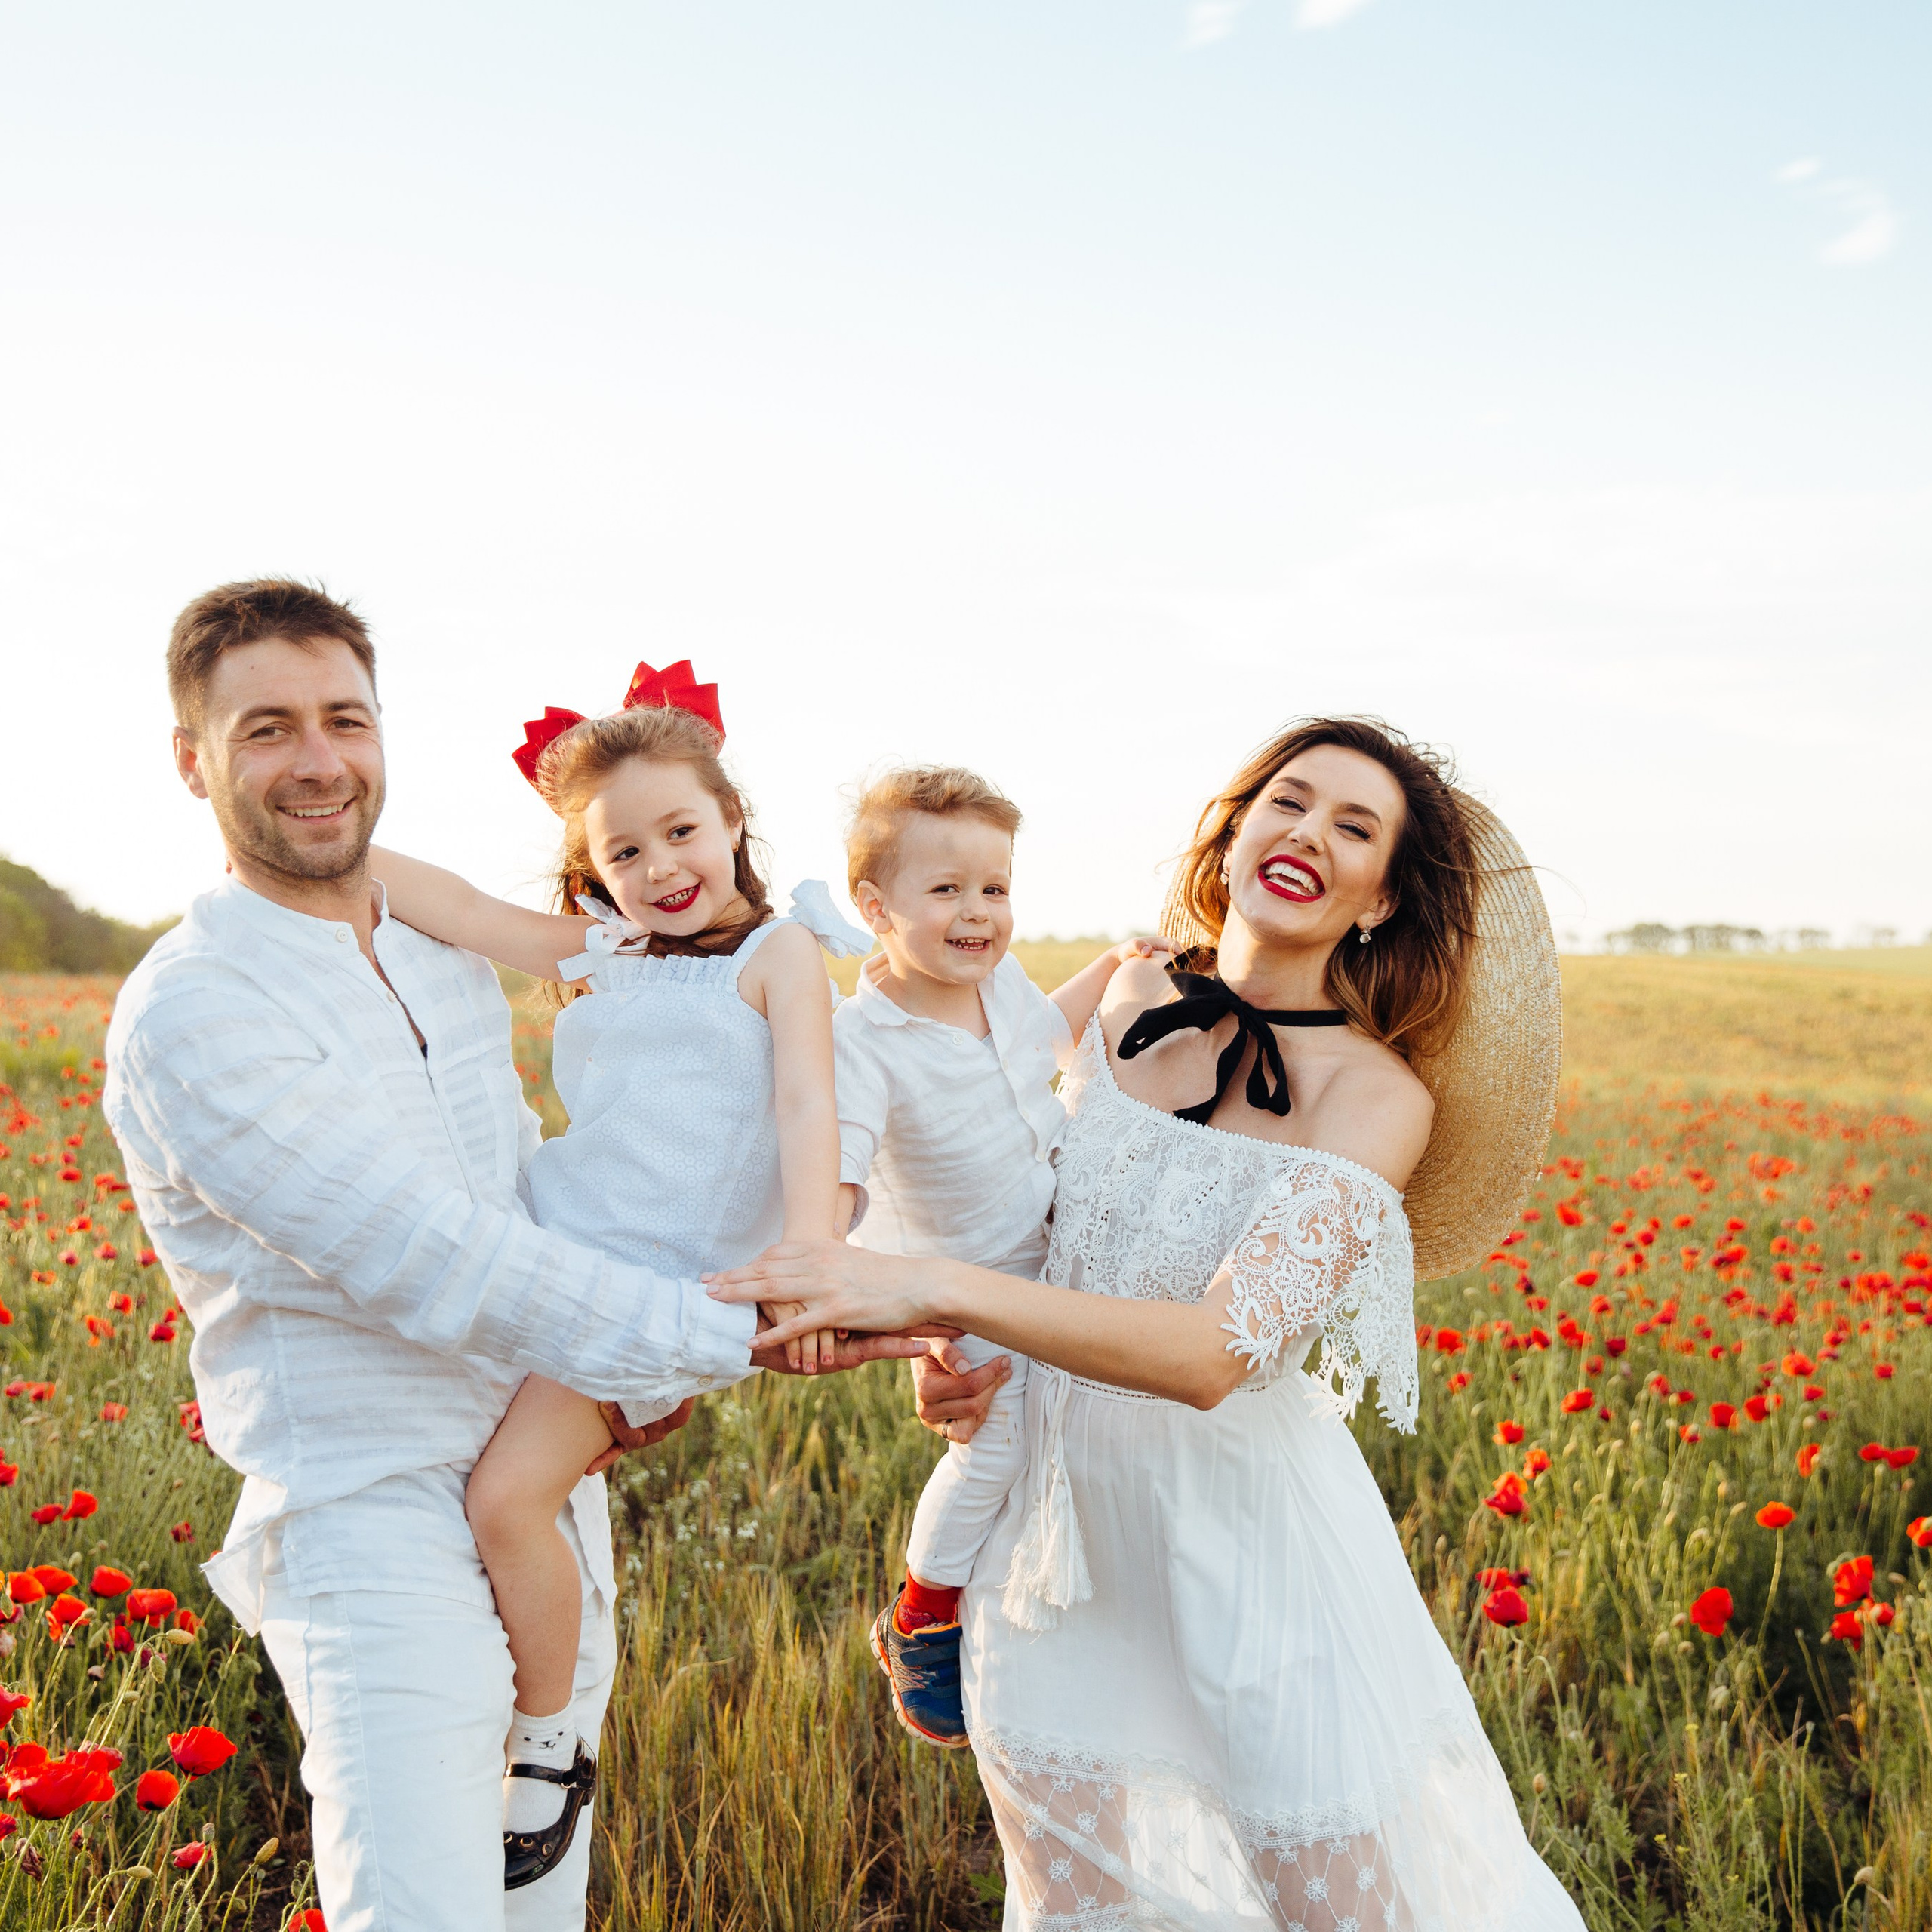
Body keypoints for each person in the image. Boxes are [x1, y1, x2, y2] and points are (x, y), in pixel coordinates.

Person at [103, 581, 957, 1932]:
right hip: (378, 1521)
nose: (320, 760)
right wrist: (742, 1331)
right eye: (268, 729)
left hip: (556, 1490)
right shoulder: (197, 1010)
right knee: (427, 1913)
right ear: (192, 758)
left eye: (346, 719)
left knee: (539, 1910)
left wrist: (856, 1273)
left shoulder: (435, 955)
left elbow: (721, 1121)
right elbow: (436, 1259)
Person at [710, 717, 1586, 1929]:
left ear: (1380, 900)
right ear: (1232, 834)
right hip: (1054, 1559)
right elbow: (1006, 1204)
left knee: (1338, 1908)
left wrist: (939, 1297)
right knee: (1079, 1906)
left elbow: (1215, 1357)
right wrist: (946, 1349)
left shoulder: (1376, 1100)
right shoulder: (1121, 992)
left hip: (1252, 1560)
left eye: (1354, 828)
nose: (1307, 836)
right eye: (1288, 801)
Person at [365, 666, 872, 1869]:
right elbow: (464, 907)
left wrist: (811, 1266)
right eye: (624, 851)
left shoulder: (780, 951)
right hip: (541, 1249)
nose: (660, 866)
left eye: (682, 830)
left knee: (506, 1499)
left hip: (652, 1296)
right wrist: (327, 846)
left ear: (733, 819)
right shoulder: (607, 947)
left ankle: (546, 1743)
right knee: (447, 1481)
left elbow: (810, 1103)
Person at [833, 765, 1168, 1747]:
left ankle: (1032, 1604)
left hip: (1048, 1254)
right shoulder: (865, 1039)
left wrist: (1110, 969)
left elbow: (1042, 1043)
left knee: (1062, 1444)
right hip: (959, 1287)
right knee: (1000, 1445)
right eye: (946, 891)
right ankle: (924, 1617)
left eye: (996, 889)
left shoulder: (996, 987)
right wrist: (828, 1242)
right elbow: (842, 1168)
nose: (979, 914)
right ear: (875, 907)